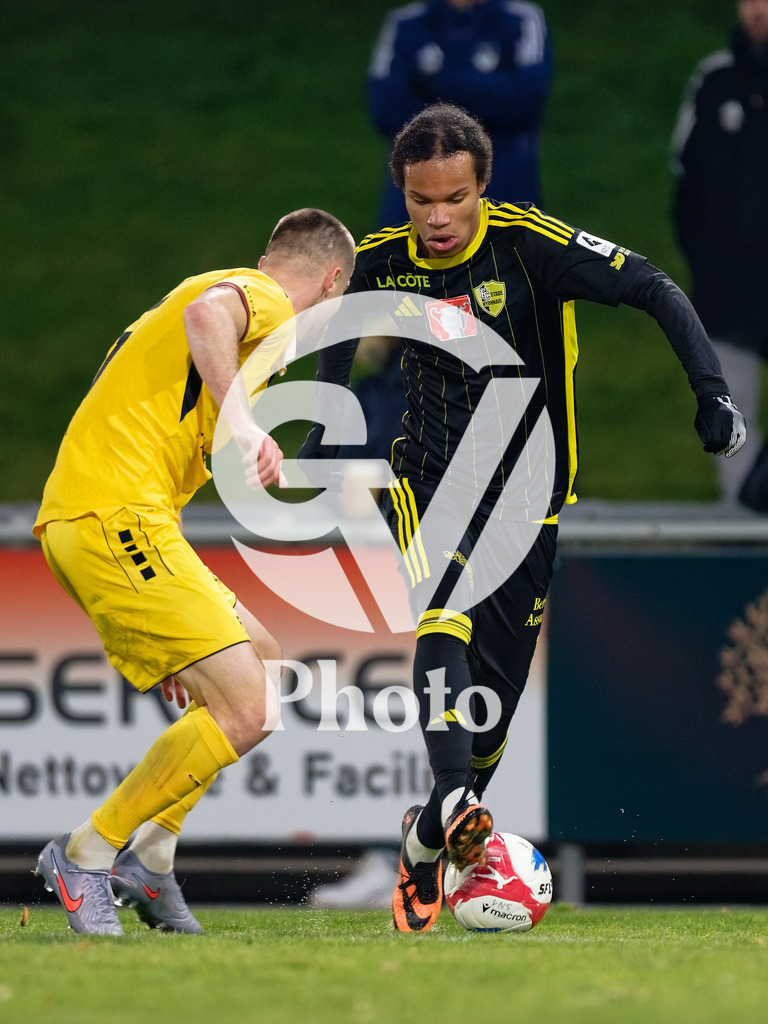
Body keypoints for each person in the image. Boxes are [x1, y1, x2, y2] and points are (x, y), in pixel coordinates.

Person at [300, 103, 747, 932]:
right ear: (402, 191)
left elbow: (651, 285)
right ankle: (452, 809)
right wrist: (330, 428)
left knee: (493, 712)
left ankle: (432, 830)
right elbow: (341, 315)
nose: (437, 218)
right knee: (442, 611)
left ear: (483, 186)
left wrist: (711, 391)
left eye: (455, 199)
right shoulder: (382, 260)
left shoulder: (530, 246)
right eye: (420, 200)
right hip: (431, 483)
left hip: (530, 497)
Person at [32, 208, 355, 935]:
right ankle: (87, 853)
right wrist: (243, 420)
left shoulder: (193, 298)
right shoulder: (258, 299)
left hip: (122, 522)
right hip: (114, 520)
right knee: (249, 710)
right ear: (330, 281)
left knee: (263, 666)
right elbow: (211, 317)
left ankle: (153, 856)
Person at [671, 0, 768, 509]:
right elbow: (686, 189)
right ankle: (740, 561)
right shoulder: (714, 82)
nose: (757, 10)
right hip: (728, 297)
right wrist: (707, 270)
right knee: (732, 427)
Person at [368, 0, 553, 226]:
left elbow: (523, 103)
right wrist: (485, 94)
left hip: (505, 203)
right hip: (413, 212)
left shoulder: (521, 19)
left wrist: (434, 80)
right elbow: (387, 111)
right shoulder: (406, 23)